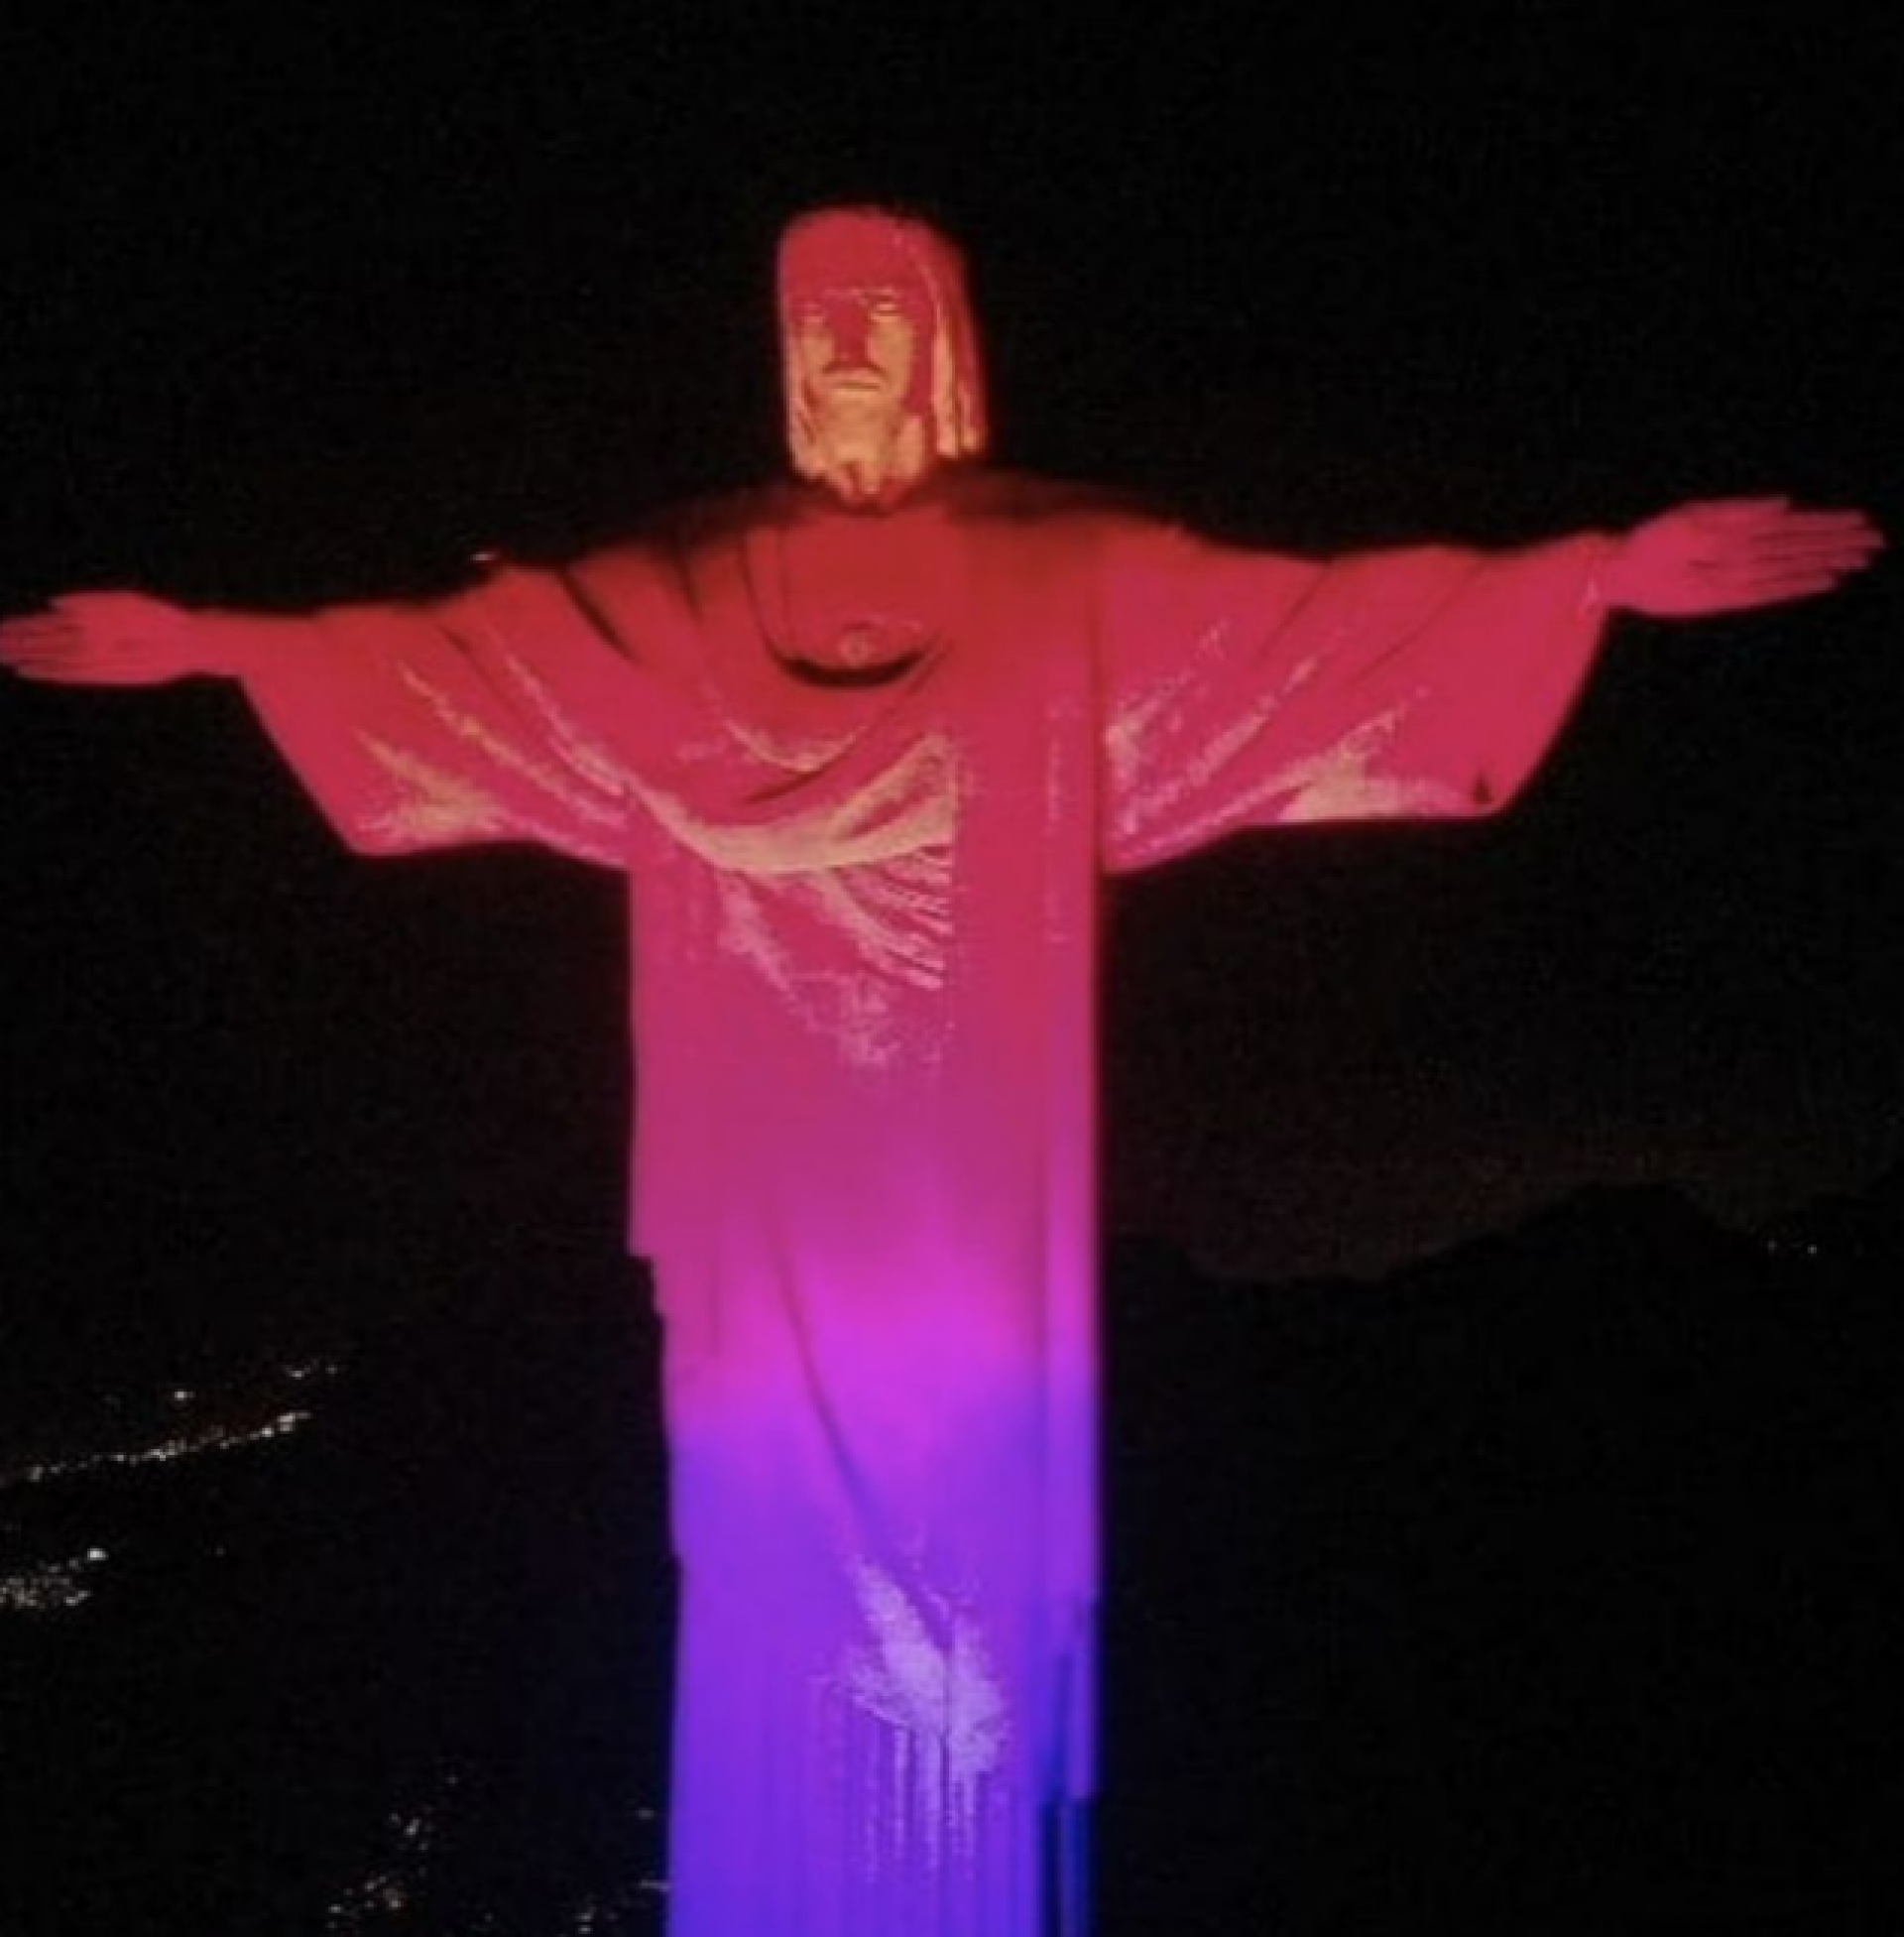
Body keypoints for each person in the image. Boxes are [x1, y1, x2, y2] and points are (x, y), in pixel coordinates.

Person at [0, 204, 1880, 1936]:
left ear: (944, 348)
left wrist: (1595, 577)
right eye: (813, 324)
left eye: (876, 322)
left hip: (968, 1155)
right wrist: (216, 644)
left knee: (967, 1555)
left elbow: (1325, 630)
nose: (842, 357)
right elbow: (472, 658)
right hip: (767, 1154)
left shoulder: (1065, 568)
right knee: (770, 1555)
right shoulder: (687, 579)